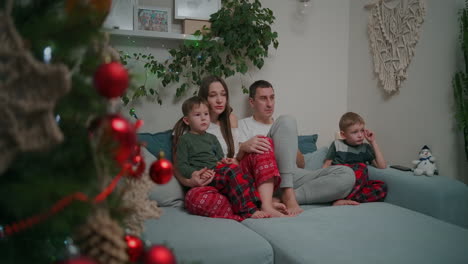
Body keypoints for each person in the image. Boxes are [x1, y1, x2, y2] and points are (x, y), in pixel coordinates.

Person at [238, 80, 356, 215]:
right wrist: (244, 146)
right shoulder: (242, 125)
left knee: (347, 175)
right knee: (287, 119)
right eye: (263, 98)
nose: (269, 104)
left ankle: (280, 198)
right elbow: (236, 162)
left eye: (272, 97)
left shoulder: (282, 126)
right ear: (252, 102)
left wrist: (288, 143)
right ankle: (286, 196)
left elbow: (301, 164)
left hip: (290, 175)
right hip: (263, 178)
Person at [197, 76, 286, 217]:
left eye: (223, 94)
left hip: (235, 171)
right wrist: (189, 180)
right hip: (217, 175)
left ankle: (266, 205)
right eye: (213, 95)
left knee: (262, 142)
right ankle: (255, 202)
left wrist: (242, 149)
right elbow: (181, 162)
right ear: (204, 98)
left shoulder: (231, 119)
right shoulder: (195, 122)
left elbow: (235, 158)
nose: (220, 100)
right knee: (205, 198)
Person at [172, 96, 269, 220]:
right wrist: (195, 173)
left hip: (217, 172)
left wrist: (225, 161)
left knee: (242, 174)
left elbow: (219, 158)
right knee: (231, 173)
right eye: (197, 115)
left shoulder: (212, 138)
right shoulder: (184, 140)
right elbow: (182, 165)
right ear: (187, 120)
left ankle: (258, 204)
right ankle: (248, 211)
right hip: (203, 176)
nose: (203, 118)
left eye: (206, 114)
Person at [322, 112, 387, 205]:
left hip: (356, 186)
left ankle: (346, 199)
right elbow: (326, 165)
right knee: (362, 167)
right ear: (343, 135)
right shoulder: (337, 144)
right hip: (340, 179)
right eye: (355, 132)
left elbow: (382, 166)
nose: (360, 135)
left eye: (362, 130)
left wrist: (373, 142)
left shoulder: (365, 147)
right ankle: (338, 198)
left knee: (382, 187)